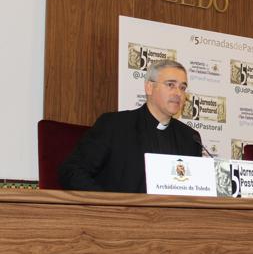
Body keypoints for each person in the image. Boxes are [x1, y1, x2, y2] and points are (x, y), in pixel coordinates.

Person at [59, 60, 202, 193]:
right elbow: (72, 171)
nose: (178, 93)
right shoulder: (114, 125)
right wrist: (109, 204)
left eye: (182, 88)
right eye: (171, 85)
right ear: (149, 87)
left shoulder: (190, 138)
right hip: (119, 216)